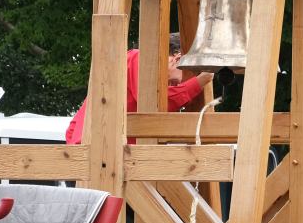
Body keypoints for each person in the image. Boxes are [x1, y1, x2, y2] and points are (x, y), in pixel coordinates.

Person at [64, 35, 207, 145]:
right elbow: (151, 101)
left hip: (102, 150)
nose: (175, 86)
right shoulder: (137, 57)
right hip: (101, 151)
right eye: (175, 83)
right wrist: (199, 82)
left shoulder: (136, 64)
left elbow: (72, 128)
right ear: (178, 58)